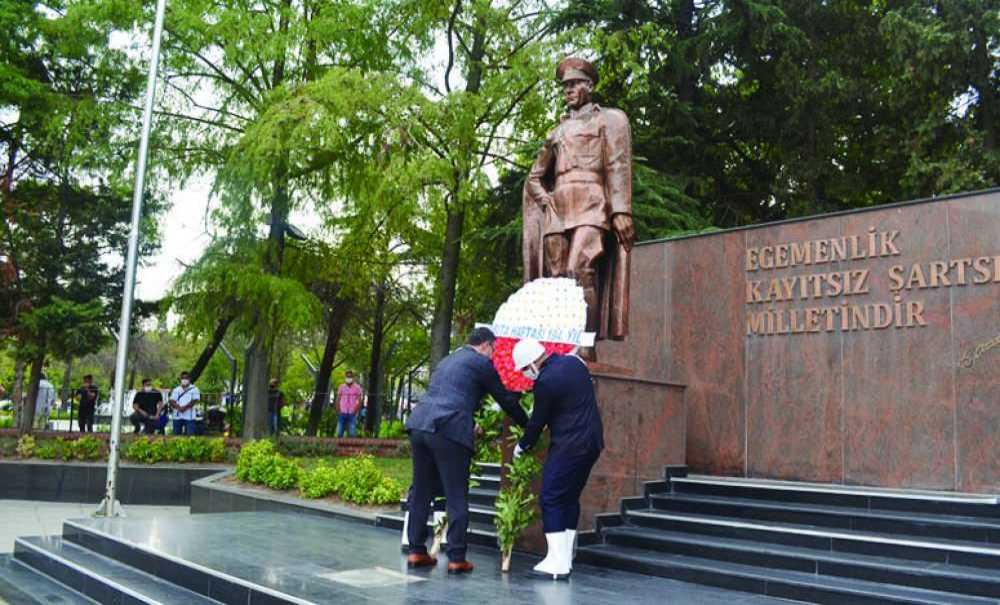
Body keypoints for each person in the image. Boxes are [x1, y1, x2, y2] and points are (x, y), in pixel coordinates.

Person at [523, 57, 634, 343]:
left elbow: (617, 165)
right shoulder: (556, 132)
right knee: (558, 280)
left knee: (579, 270)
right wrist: (546, 201)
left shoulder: (608, 120)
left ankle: (584, 345)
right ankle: (560, 344)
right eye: (565, 86)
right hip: (558, 209)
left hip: (591, 205)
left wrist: (621, 210)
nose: (568, 91)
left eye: (574, 85)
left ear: (590, 86)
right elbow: (534, 177)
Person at [404, 327, 529, 575]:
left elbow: (455, 393)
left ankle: (416, 551)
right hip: (448, 429)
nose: (493, 355)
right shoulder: (481, 363)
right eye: (493, 350)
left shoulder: (448, 359)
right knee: (456, 494)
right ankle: (457, 557)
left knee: (421, 490)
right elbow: (505, 399)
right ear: (485, 345)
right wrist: (529, 425)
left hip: (420, 425)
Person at [512, 338, 604, 579]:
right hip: (593, 442)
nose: (524, 374)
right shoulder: (575, 363)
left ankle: (557, 561)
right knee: (570, 497)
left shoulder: (545, 382)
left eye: (524, 369)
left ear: (533, 364)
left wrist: (522, 445)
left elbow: (537, 423)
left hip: (569, 445)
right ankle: (565, 557)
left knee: (551, 497)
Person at [168, 371, 200, 436]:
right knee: (176, 436)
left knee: (190, 436)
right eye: (182, 378)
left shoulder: (194, 389)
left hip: (190, 417)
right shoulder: (176, 389)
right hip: (177, 416)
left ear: (189, 379)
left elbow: (195, 400)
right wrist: (179, 408)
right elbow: (171, 400)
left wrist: (184, 408)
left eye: (186, 378)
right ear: (180, 379)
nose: (184, 380)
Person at [335, 371, 363, 438]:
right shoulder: (341, 387)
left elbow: (360, 400)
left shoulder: (357, 388)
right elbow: (338, 399)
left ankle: (351, 447)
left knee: (352, 433)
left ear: (353, 378)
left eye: (350, 377)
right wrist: (338, 410)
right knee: (339, 432)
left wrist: (355, 410)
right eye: (347, 377)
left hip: (352, 412)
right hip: (342, 411)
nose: (348, 378)